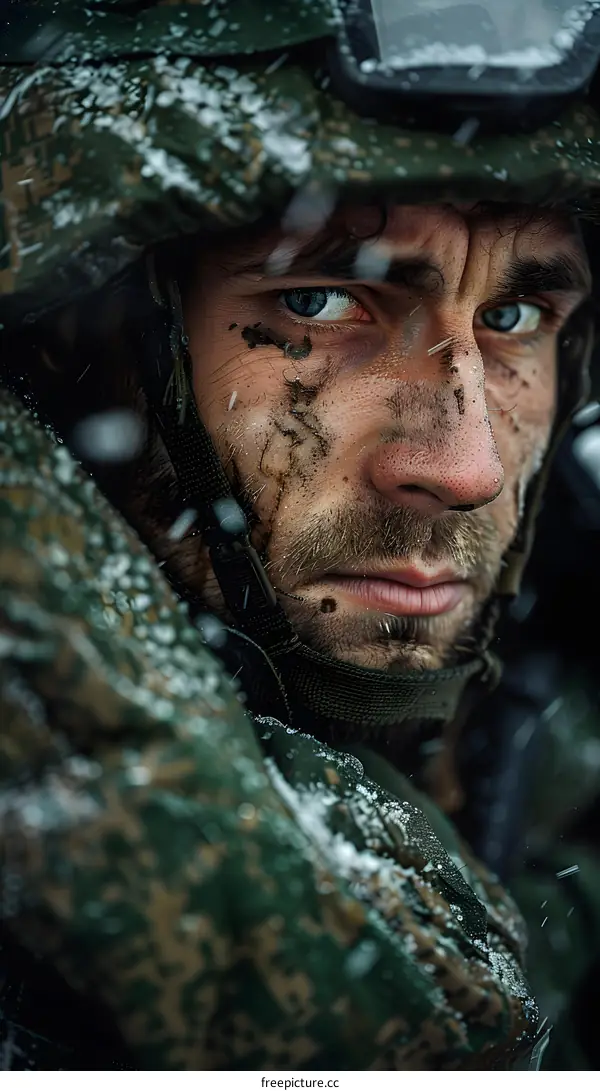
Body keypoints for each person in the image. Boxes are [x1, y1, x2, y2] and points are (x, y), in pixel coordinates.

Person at [0, 0, 598, 1071]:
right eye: (323, 299)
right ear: (91, 340)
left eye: (513, 320)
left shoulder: (567, 748)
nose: (464, 467)